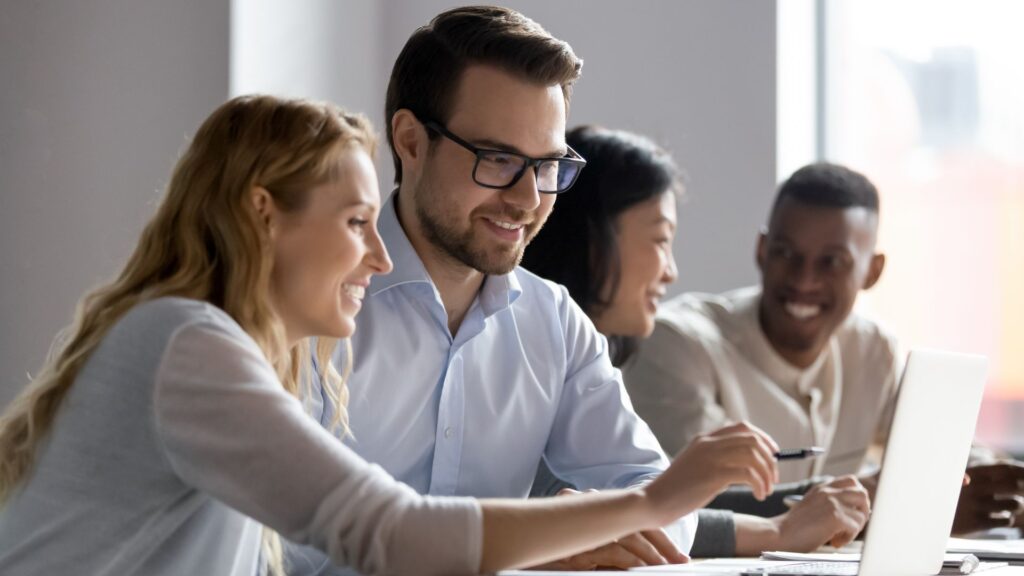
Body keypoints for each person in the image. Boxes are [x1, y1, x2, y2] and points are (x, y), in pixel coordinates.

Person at [0, 94, 786, 576]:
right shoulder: (185, 342)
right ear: (261, 214)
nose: (379, 255)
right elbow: (394, 535)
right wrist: (651, 499)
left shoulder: (221, 345)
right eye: (353, 223)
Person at [286, 6, 786, 574]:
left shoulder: (552, 321)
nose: (527, 200)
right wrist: (539, 550)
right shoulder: (310, 309)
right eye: (498, 160)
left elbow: (653, 488)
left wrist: (606, 525)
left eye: (547, 166)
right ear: (411, 142)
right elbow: (284, 554)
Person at [522, 126, 871, 560]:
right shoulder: (526, 353)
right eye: (661, 240)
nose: (671, 271)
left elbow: (649, 505)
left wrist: (808, 511)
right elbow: (620, 510)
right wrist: (778, 531)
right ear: (594, 240)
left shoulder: (589, 358)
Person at [624, 161, 1024, 535]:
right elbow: (695, 505)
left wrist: (997, 486)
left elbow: (940, 444)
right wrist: (899, 507)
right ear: (762, 251)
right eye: (785, 253)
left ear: (872, 271)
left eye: (832, 262)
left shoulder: (871, 349)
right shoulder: (677, 344)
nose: (804, 279)